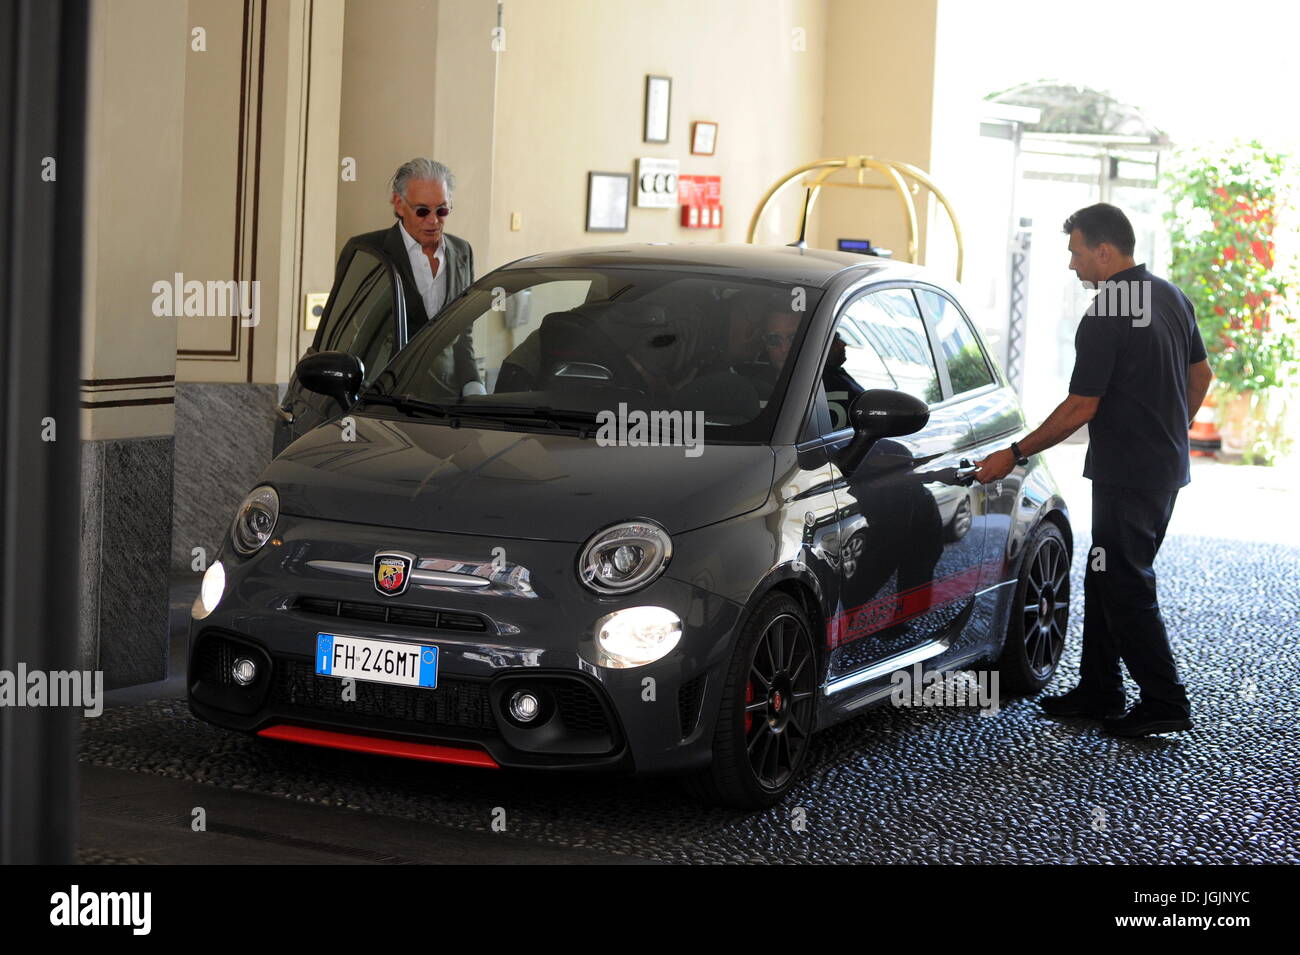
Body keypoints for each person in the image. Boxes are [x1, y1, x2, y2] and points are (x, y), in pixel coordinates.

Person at [973, 202, 1214, 737]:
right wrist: (1171, 428)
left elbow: (1081, 407)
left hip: (1128, 476)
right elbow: (1202, 376)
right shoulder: (1169, 296)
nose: (1072, 265)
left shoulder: (1109, 312)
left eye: (1076, 252)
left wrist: (1013, 454)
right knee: (1105, 576)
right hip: (1161, 471)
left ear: (1104, 251)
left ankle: (1165, 701)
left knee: (1125, 584)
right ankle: (1100, 689)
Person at [334, 157, 480, 394]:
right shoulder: (365, 251)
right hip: (383, 399)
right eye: (422, 211)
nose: (433, 221)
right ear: (399, 204)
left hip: (445, 401)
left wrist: (472, 383)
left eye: (442, 210)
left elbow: (463, 334)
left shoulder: (463, 252)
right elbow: (347, 331)